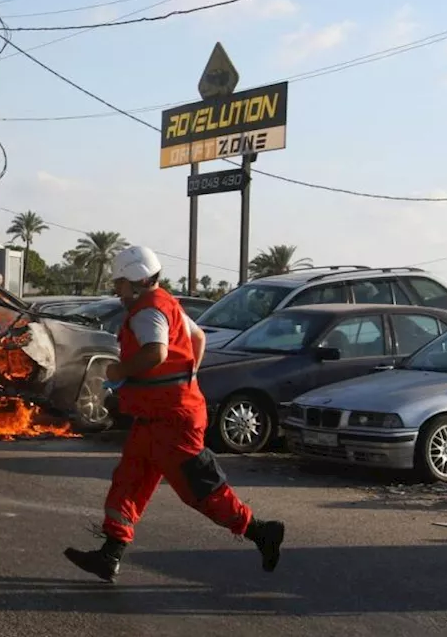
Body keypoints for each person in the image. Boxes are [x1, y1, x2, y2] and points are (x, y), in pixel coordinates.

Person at [63, 246, 284, 583]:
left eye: (119, 283)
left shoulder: (147, 312)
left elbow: (156, 352)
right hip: (154, 418)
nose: (116, 290)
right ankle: (110, 554)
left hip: (172, 422)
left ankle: (260, 531)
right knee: (129, 482)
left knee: (201, 491)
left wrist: (120, 370)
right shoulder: (162, 303)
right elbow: (196, 337)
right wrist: (186, 375)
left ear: (135, 281)